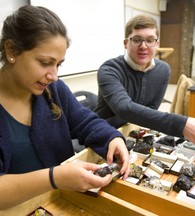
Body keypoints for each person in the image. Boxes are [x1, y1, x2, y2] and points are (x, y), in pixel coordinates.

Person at [0, 5, 130, 209]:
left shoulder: (54, 89)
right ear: (11, 50)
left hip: (61, 204)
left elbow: (85, 122)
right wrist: (54, 177)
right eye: (45, 62)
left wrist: (111, 138)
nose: (54, 75)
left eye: (58, 64)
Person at [95, 14, 195, 149]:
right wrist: (181, 124)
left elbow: (152, 108)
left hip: (135, 132)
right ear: (126, 43)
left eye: (150, 40)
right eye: (136, 40)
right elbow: (124, 108)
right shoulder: (109, 70)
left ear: (157, 44)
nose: (143, 46)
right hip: (106, 136)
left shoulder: (163, 70)